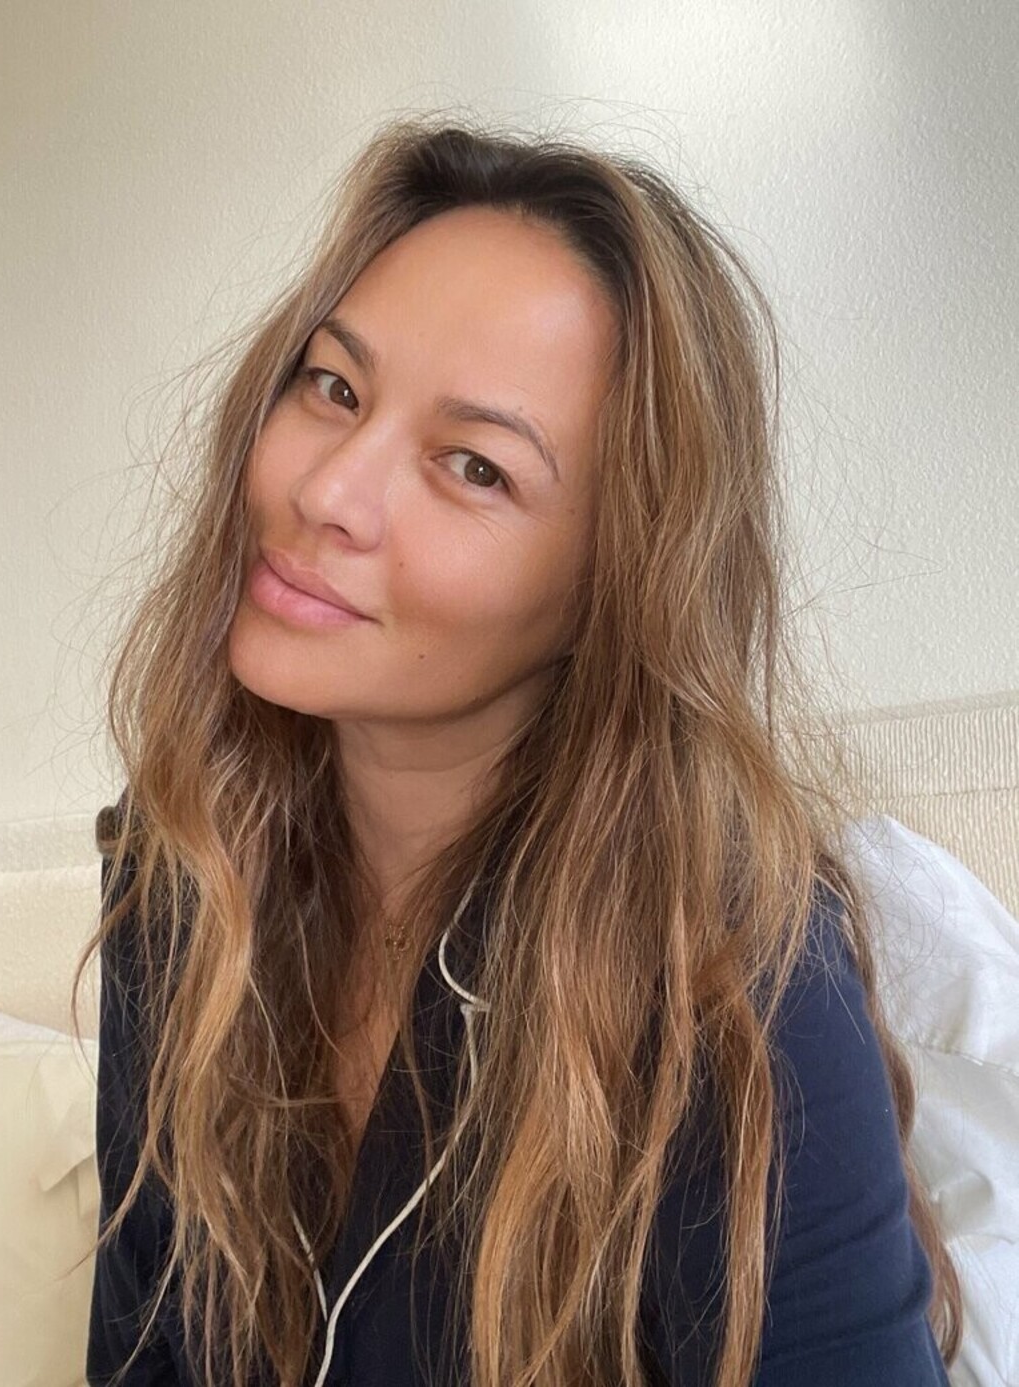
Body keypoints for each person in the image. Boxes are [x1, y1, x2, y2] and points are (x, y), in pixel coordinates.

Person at [77, 113, 962, 1387]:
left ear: (615, 582)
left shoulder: (735, 978)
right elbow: (140, 1356)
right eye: (334, 387)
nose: (327, 491)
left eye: (474, 468)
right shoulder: (182, 861)